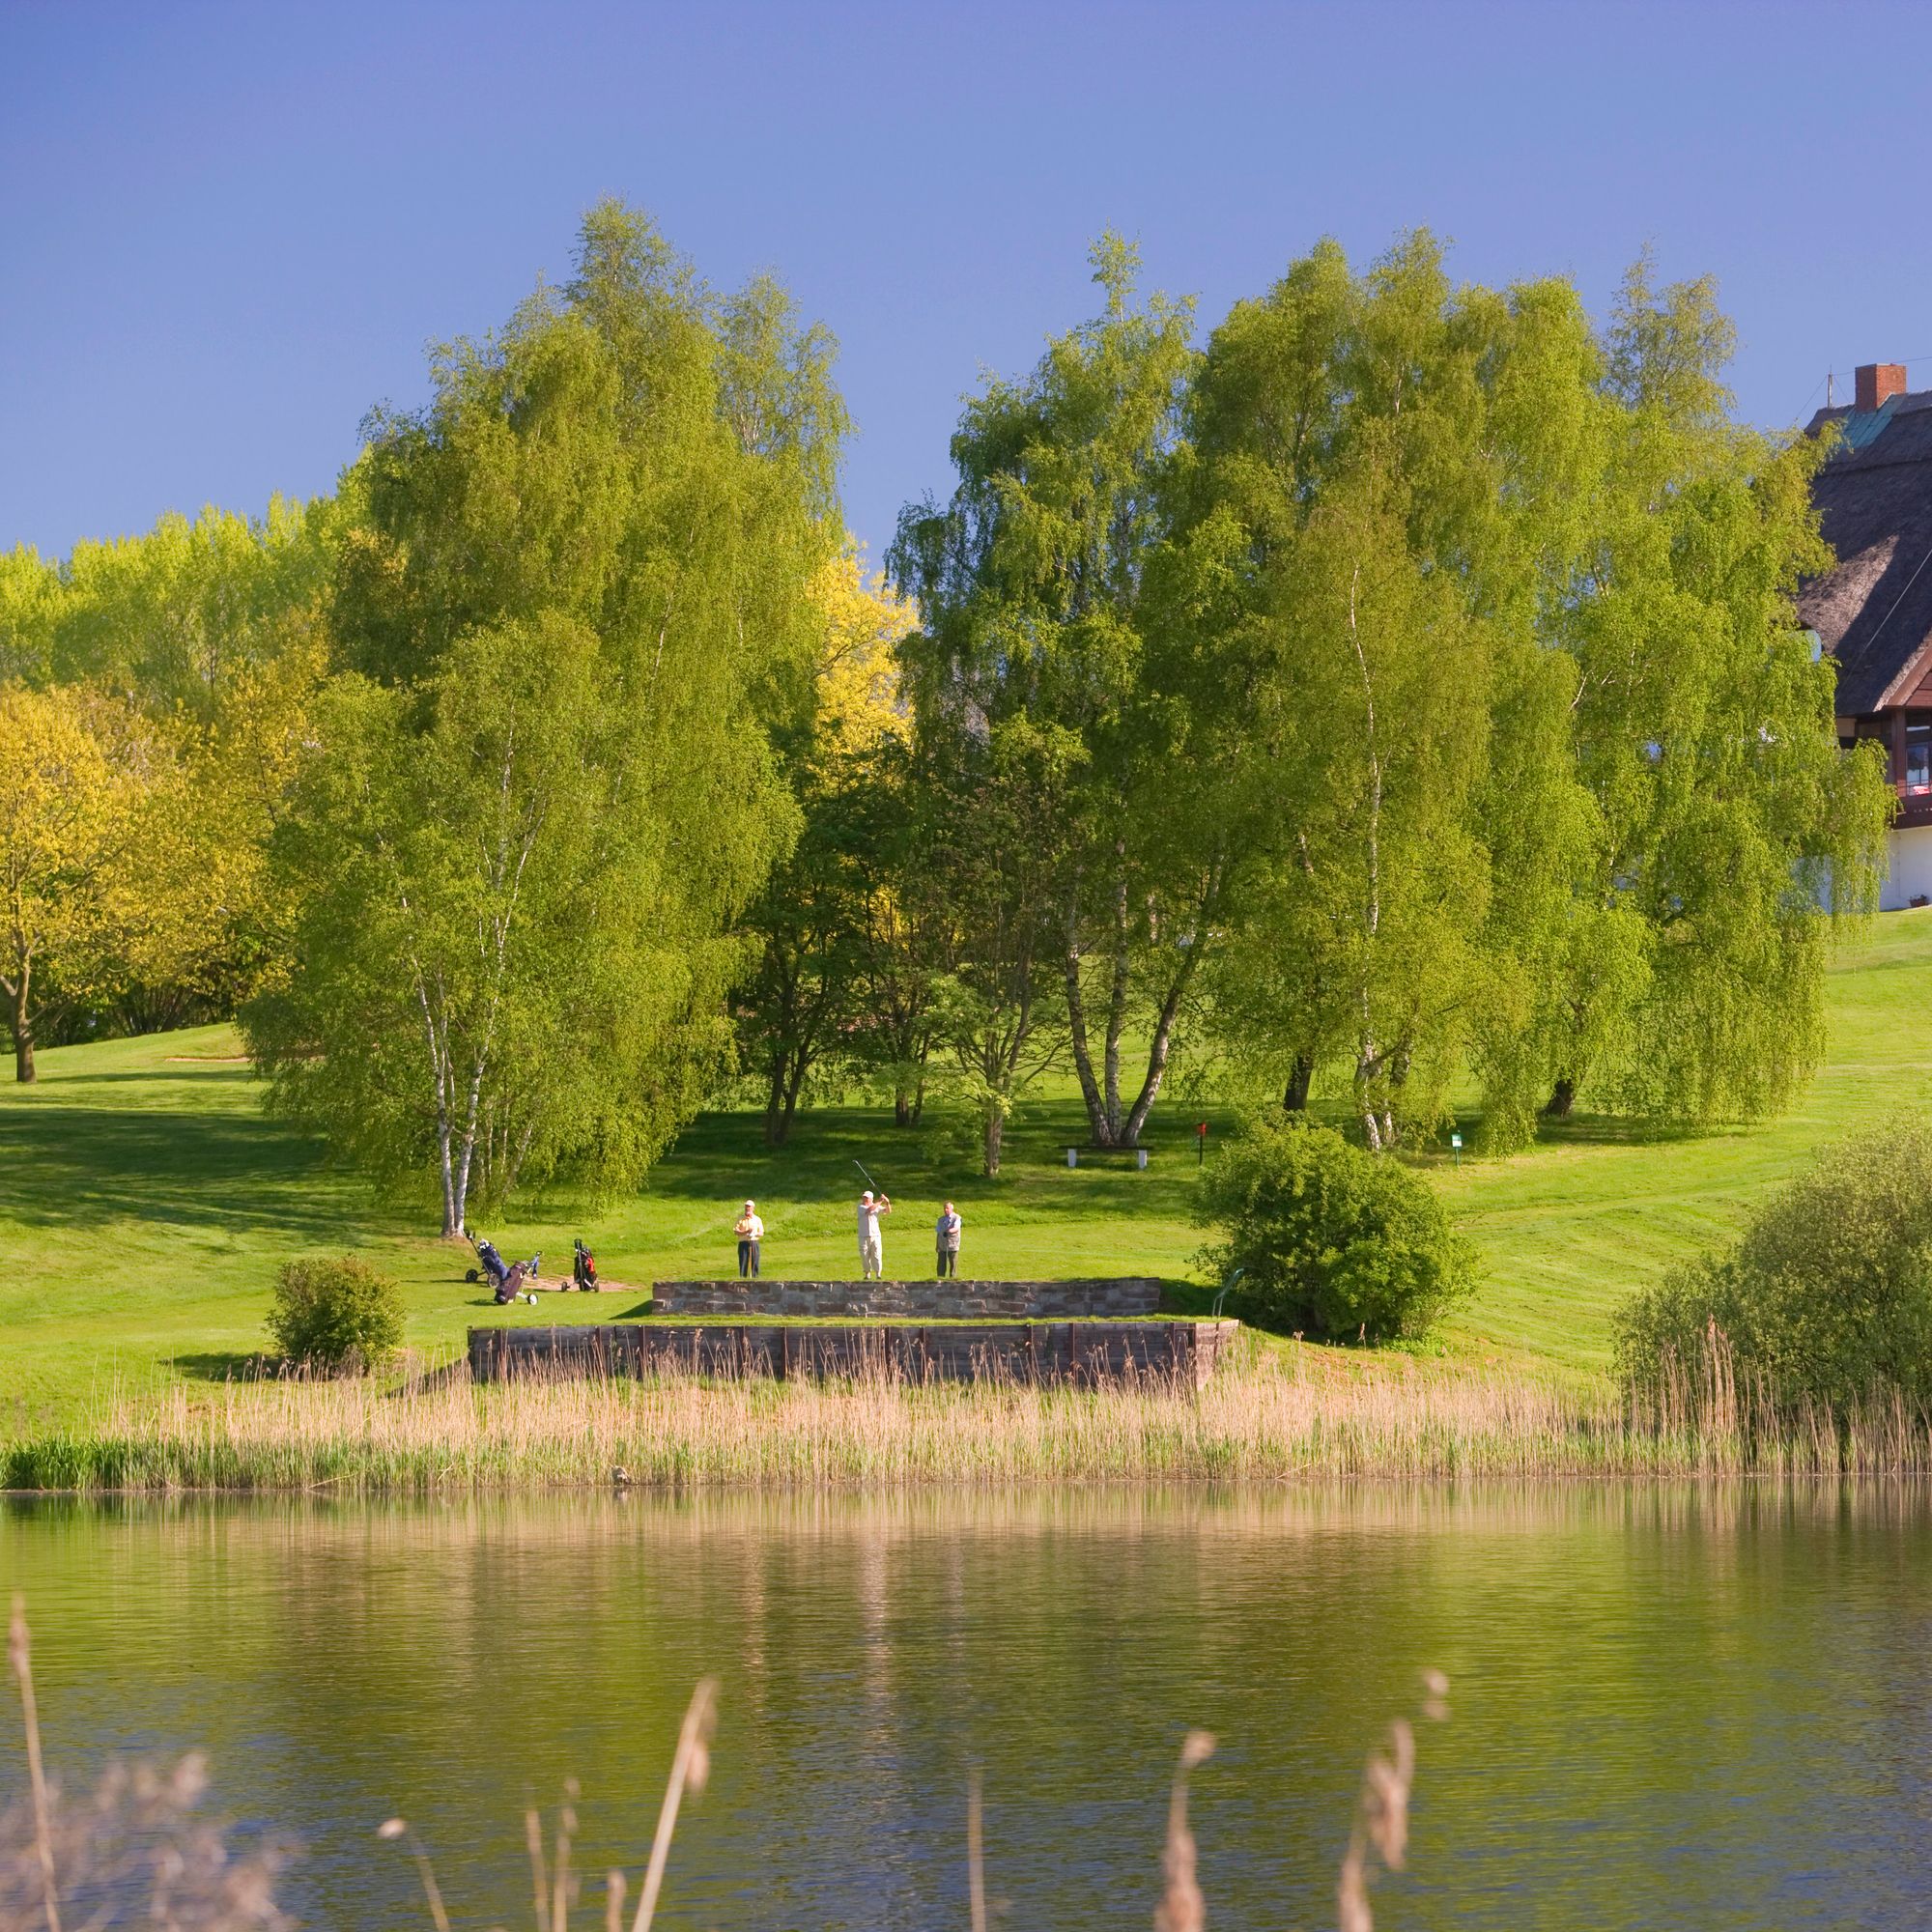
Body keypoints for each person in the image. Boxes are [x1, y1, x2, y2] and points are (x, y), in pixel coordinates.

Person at [856, 1188, 892, 1279]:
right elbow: (869, 1210)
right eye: (864, 1197)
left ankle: (878, 1274)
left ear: (871, 1199)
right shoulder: (861, 1207)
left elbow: (888, 1211)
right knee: (864, 1255)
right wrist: (880, 1201)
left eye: (866, 1198)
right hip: (863, 1236)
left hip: (875, 1235)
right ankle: (867, 1273)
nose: (864, 1199)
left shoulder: (876, 1206)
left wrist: (887, 1203)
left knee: (876, 1255)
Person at [734, 1200, 764, 1279]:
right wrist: (745, 1232)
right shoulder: (740, 1218)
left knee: (755, 1260)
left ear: (753, 1208)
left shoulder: (757, 1219)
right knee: (743, 1261)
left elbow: (761, 1232)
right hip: (743, 1242)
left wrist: (755, 1234)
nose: (747, 1208)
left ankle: (755, 1278)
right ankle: (743, 1279)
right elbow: (736, 1231)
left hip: (754, 1242)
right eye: (746, 1206)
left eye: (749, 1206)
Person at [935, 1201, 962, 1279]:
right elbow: (938, 1233)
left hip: (953, 1244)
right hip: (942, 1245)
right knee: (941, 1265)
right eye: (944, 1208)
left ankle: (952, 1281)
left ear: (952, 1209)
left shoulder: (957, 1217)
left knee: (953, 1264)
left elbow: (956, 1228)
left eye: (947, 1208)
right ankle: (940, 1280)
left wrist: (948, 1231)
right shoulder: (940, 1220)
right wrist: (937, 1245)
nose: (945, 1210)